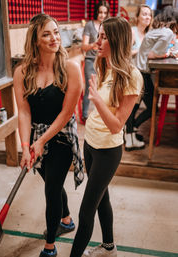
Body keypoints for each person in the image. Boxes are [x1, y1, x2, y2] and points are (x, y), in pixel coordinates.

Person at [70, 17, 143, 257]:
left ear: (117, 40)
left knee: (85, 210)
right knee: (102, 198)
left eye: (103, 37)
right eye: (98, 36)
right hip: (89, 144)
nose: (97, 42)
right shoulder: (104, 66)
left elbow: (116, 126)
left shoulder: (131, 76)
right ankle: (109, 246)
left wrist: (97, 101)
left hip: (107, 152)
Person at [13, 13, 84, 257]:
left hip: (62, 136)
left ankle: (50, 246)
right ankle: (66, 220)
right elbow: (23, 112)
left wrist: (41, 141)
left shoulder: (71, 69)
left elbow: (66, 114)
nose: (54, 38)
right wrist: (25, 145)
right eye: (46, 34)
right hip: (36, 136)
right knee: (51, 182)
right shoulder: (22, 72)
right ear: (35, 40)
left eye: (56, 32)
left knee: (51, 188)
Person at [133, 6, 178, 146]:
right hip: (142, 72)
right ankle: (130, 129)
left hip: (140, 71)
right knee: (150, 107)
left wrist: (167, 53)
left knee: (136, 104)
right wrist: (167, 54)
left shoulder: (160, 31)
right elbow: (151, 55)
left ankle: (130, 130)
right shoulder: (168, 33)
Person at [124, 4, 153, 151]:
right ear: (137, 17)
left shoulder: (151, 33)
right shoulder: (132, 31)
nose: (147, 17)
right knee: (132, 106)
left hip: (146, 74)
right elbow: (125, 53)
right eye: (144, 14)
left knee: (152, 108)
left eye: (149, 14)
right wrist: (140, 50)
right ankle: (129, 140)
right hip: (134, 74)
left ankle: (132, 129)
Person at [81, 0, 109, 124]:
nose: (102, 15)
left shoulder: (108, 26)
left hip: (103, 61)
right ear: (96, 12)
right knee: (89, 88)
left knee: (103, 88)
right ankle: (85, 115)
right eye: (100, 12)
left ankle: (101, 115)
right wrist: (94, 44)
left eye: (105, 13)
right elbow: (84, 46)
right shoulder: (89, 25)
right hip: (90, 60)